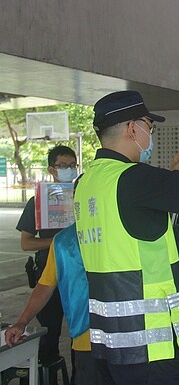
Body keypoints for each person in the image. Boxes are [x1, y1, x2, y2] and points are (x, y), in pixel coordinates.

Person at [74, 90, 179, 385]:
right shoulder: (134, 178)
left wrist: (173, 176)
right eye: (150, 125)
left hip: (112, 342)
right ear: (133, 128)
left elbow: (133, 228)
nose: (150, 134)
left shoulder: (86, 183)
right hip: (150, 346)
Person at [5, 224, 101, 384]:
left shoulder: (64, 240)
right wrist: (22, 321)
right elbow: (45, 285)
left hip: (109, 340)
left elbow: (45, 285)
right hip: (95, 339)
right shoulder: (63, 241)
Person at [15, 144, 77, 364]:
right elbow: (26, 243)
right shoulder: (38, 202)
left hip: (80, 273)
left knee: (82, 335)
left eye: (72, 165)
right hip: (48, 272)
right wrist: (60, 242)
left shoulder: (83, 198)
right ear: (52, 169)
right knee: (48, 334)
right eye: (63, 165)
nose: (68, 170)